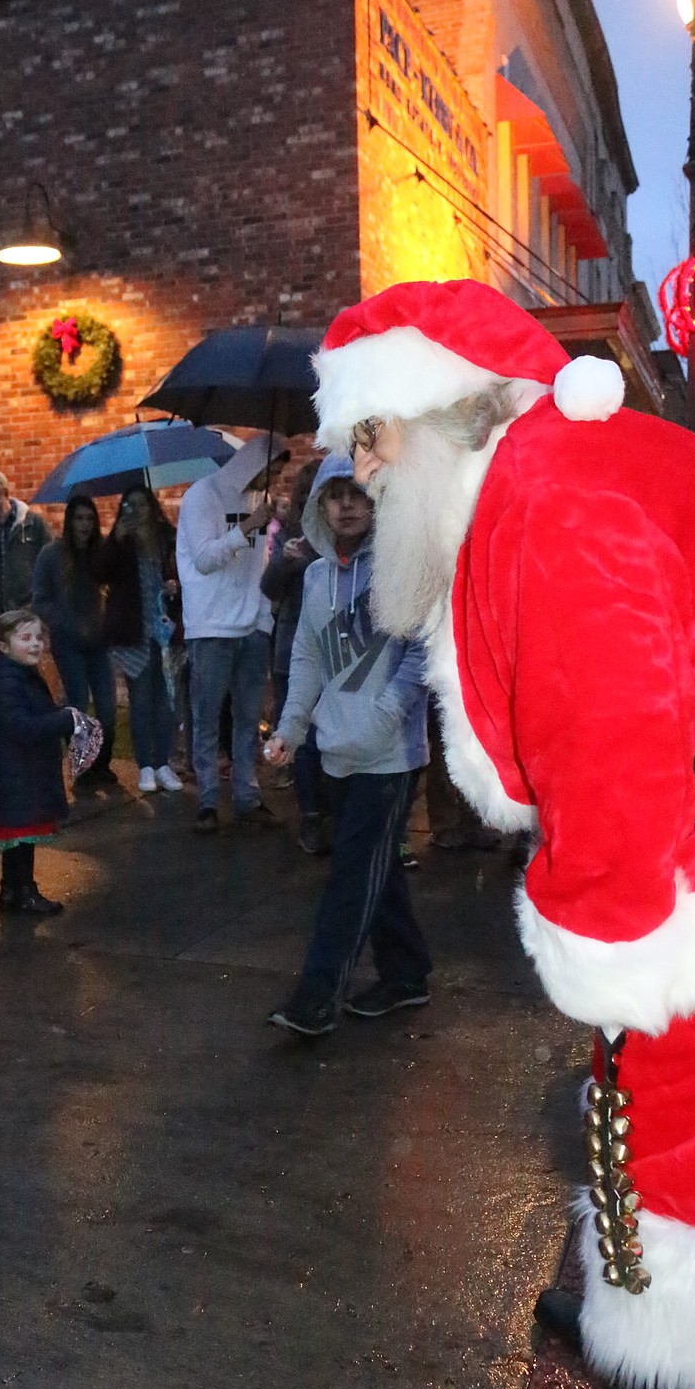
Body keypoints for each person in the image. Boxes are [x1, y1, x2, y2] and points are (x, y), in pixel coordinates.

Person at [313, 275, 695, 1389]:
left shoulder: (546, 505)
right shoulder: (536, 474)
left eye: (374, 436)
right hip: (694, 826)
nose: (365, 470)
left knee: (678, 1123)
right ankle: (640, 1287)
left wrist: (610, 942)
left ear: (441, 410)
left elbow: (614, 739)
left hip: (691, 860)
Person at [265, 463, 431, 1037]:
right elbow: (308, 660)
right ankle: (408, 973)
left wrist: (387, 715)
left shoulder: (404, 568)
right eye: (335, 496)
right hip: (334, 751)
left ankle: (316, 997)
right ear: (319, 507)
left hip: (389, 758)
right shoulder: (313, 580)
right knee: (376, 870)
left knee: (352, 875)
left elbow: (421, 654)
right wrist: (291, 727)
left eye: (358, 493)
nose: (347, 506)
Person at [176, 435, 290, 832]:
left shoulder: (259, 501)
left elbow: (257, 567)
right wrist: (247, 528)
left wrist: (263, 621)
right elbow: (205, 559)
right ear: (251, 464)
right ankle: (207, 798)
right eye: (269, 471)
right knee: (206, 717)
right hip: (209, 625)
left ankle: (247, 795)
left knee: (248, 719)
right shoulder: (201, 496)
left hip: (250, 628)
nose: (271, 480)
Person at [0, 609, 76, 916]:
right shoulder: (8, 682)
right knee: (21, 838)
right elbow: (22, 727)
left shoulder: (16, 676)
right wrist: (63, 720)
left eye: (39, 637)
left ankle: (12, 890)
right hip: (18, 774)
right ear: (4, 646)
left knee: (18, 840)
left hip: (18, 773)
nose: (35, 644)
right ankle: (24, 891)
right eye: (26, 638)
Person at [96, 485, 182, 795]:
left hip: (165, 630)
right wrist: (116, 539)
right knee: (141, 700)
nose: (137, 512)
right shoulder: (121, 541)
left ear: (152, 507)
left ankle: (163, 763)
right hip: (133, 633)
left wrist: (175, 584)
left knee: (167, 701)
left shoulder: (166, 538)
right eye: (129, 506)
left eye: (142, 505)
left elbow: (182, 569)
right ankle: (145, 763)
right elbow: (101, 574)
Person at [260, 456, 324, 851]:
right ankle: (311, 817)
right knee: (299, 740)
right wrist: (285, 562)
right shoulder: (289, 533)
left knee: (327, 739)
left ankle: (330, 812)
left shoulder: (345, 537)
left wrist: (314, 559)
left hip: (333, 651)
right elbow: (268, 588)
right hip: (291, 645)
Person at [32, 495, 117, 785]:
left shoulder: (103, 552)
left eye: (89, 519)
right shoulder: (52, 555)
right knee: (78, 705)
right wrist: (66, 623)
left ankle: (103, 763)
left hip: (100, 642)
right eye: (79, 519)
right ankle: (82, 766)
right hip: (68, 643)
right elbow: (40, 600)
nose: (84, 525)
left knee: (107, 706)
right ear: (70, 521)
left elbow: (118, 588)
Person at [0, 468, 50, 634]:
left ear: (2, 492)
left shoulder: (33, 524)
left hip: (26, 615)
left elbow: (50, 566)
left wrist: (38, 605)